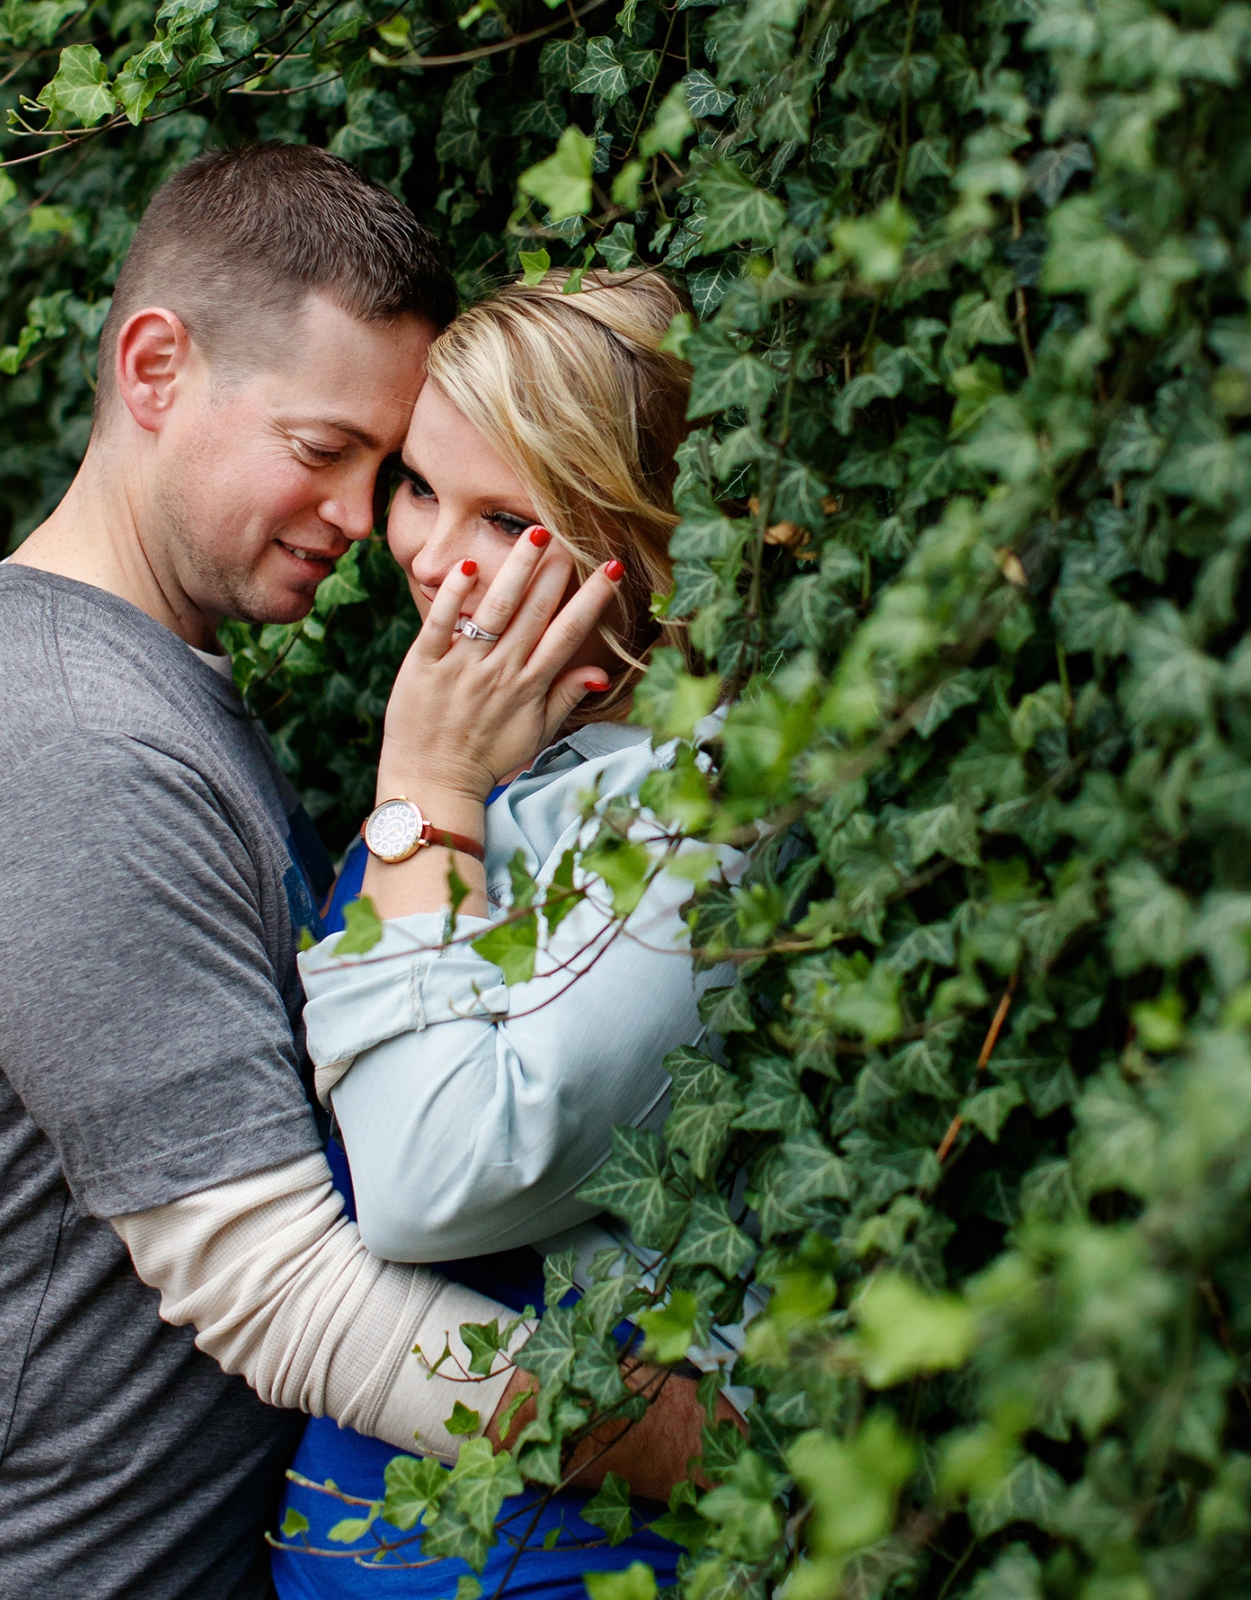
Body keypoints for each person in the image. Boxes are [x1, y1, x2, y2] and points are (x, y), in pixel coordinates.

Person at [0, 147, 706, 1600]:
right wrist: (695, 1444)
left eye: (384, 470)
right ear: (154, 367)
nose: (369, 523)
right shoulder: (63, 738)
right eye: (324, 450)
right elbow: (278, 1288)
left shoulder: (151, 686)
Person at [269, 267, 747, 1599]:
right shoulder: (514, 743)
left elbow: (429, 1185)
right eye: (420, 487)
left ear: (648, 546)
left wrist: (423, 793)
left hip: (543, 1562)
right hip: (364, 1536)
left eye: (506, 519)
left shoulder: (697, 817)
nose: (430, 554)